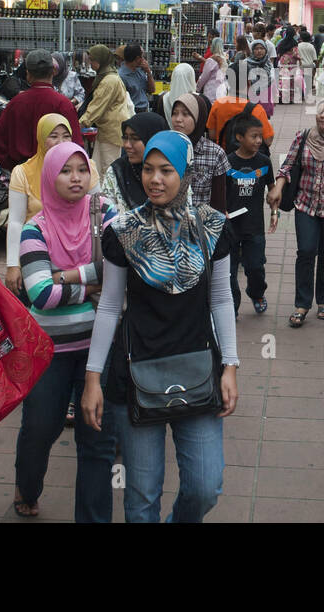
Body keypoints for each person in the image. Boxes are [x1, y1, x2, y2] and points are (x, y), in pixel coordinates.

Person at [81, 131, 240, 523]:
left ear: (184, 173)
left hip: (199, 369)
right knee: (140, 498)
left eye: (167, 170)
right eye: (149, 170)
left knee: (205, 487)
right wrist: (92, 379)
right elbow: (109, 307)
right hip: (135, 375)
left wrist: (231, 367)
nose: (155, 179)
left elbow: (221, 300)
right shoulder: (124, 232)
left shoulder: (213, 228)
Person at [12, 142, 118, 521]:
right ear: (49, 175)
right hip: (49, 351)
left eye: (82, 169)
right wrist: (91, 284)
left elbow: (119, 265)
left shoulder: (104, 212)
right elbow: (41, 294)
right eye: (66, 170)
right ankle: (27, 486)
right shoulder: (33, 229)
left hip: (100, 346)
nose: (76, 178)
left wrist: (69, 276)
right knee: (41, 427)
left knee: (97, 440)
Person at [269, 98, 324, 327]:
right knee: (306, 251)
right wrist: (278, 188)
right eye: (320, 111)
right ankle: (302, 303)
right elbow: (287, 166)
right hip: (305, 204)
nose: (323, 115)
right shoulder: (304, 137)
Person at [5, 112, 97, 293]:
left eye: (66, 136)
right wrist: (12, 264)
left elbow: (96, 209)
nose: (61, 142)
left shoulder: (87, 167)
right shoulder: (23, 172)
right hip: (38, 249)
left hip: (81, 253)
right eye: (53, 137)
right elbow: (16, 221)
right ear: (40, 139)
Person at [0, 49, 84, 170]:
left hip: (22, 173)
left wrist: (13, 168)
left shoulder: (15, 104)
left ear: (28, 74)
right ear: (52, 73)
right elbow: (76, 145)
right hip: (55, 173)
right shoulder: (64, 104)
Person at [224, 114, 275, 316]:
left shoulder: (264, 162)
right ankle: (231, 307)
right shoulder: (227, 162)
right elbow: (219, 193)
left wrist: (274, 208)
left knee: (255, 267)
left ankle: (257, 293)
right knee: (229, 272)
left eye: (260, 136)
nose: (259, 141)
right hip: (230, 228)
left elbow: (272, 189)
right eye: (254, 136)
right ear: (239, 137)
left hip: (254, 227)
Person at [99, 111, 169, 214]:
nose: (127, 145)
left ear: (153, 139)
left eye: (135, 138)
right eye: (125, 138)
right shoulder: (117, 172)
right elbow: (106, 217)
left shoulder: (173, 171)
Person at [170, 93, 228, 210]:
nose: (178, 119)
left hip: (201, 224)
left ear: (198, 118)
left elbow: (218, 203)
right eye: (175, 113)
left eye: (185, 114)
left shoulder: (215, 153)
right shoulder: (165, 148)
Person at [80, 53, 134, 179]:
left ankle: (108, 197)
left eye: (92, 60)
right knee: (97, 167)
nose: (91, 64)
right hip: (107, 129)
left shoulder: (109, 80)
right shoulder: (109, 77)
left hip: (111, 131)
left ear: (101, 61)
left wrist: (82, 122)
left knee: (108, 169)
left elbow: (98, 105)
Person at [207, 94, 275, 152]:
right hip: (251, 160)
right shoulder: (257, 110)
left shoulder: (218, 104)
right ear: (248, 84)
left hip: (224, 156)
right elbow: (268, 141)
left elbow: (212, 135)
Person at [118, 43, 155, 114]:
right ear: (137, 59)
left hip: (144, 109)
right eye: (142, 57)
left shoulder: (140, 71)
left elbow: (152, 90)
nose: (143, 59)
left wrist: (148, 72)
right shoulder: (121, 76)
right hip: (131, 111)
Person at [242, 39, 275, 117]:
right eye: (256, 49)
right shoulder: (245, 63)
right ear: (252, 50)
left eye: (262, 48)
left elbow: (272, 79)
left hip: (266, 96)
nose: (259, 51)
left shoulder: (268, 63)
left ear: (266, 50)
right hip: (250, 96)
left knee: (264, 118)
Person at [197, 37, 228, 102]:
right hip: (222, 91)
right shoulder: (224, 60)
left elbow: (204, 77)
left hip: (211, 92)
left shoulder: (211, 60)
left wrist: (197, 88)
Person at [295, 30, 317, 103]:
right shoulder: (311, 46)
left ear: (301, 38)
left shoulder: (298, 45)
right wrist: (315, 68)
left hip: (300, 65)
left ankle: (301, 95)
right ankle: (306, 95)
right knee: (308, 81)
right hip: (309, 65)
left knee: (300, 80)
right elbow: (315, 59)